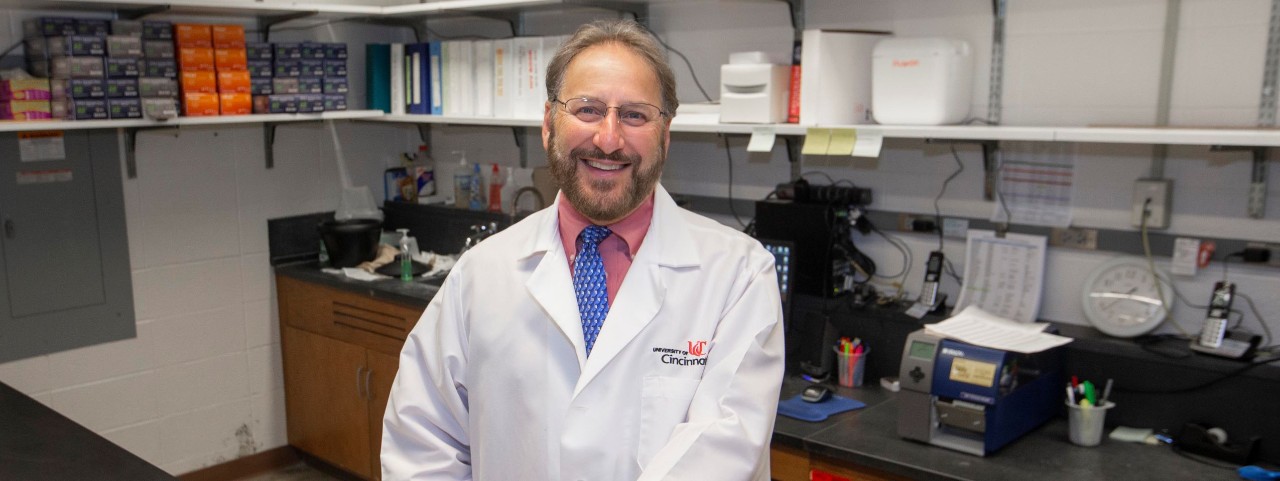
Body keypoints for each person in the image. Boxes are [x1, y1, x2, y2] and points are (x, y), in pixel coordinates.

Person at [382, 19, 785, 481]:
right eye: (588, 109)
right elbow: (422, 443)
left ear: (665, 136)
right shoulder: (481, 273)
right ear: (549, 126)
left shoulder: (738, 276)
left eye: (635, 115)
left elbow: (724, 454)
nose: (608, 139)